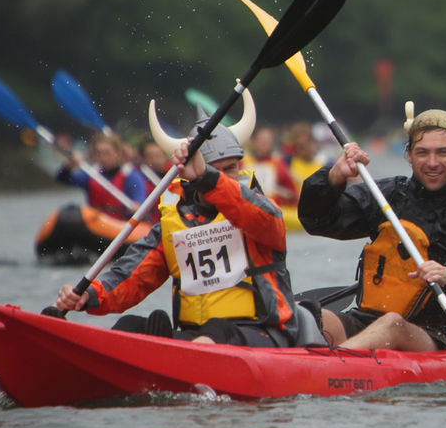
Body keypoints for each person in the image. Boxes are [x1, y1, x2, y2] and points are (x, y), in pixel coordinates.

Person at [54, 89, 317, 347]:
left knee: (217, 329)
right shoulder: (173, 221)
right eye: (216, 170)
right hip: (198, 337)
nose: (226, 176)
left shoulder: (259, 208)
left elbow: (261, 217)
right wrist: (89, 296)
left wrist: (208, 178)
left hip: (264, 333)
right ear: (190, 175)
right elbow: (132, 275)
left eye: (231, 168)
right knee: (132, 327)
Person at [297, 105, 446, 352]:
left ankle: (330, 366)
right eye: (422, 153)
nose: (432, 163)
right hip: (371, 318)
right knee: (316, 317)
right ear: (409, 155)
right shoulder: (388, 195)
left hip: (440, 333)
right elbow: (317, 221)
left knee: (392, 325)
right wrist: (333, 178)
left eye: (442, 153)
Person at [55, 132, 148, 220]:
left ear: (118, 153)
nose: (102, 157)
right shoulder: (91, 175)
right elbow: (63, 179)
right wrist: (69, 166)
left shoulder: (131, 176)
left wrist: (137, 206)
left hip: (121, 226)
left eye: (107, 153)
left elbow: (139, 199)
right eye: (99, 153)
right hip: (97, 226)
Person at [244, 125, 299, 209]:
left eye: (268, 142)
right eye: (262, 142)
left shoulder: (278, 164)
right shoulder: (242, 163)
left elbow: (293, 194)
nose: (266, 146)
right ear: (252, 142)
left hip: (273, 211)